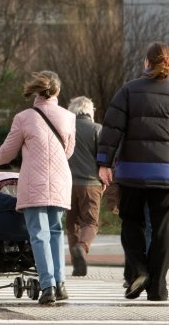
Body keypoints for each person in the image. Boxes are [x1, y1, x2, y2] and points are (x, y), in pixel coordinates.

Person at [0, 71, 76, 304]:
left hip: (34, 182)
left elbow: (6, 154)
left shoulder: (24, 118)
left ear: (37, 91)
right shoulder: (69, 117)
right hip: (60, 181)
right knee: (56, 232)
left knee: (38, 234)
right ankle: (60, 283)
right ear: (57, 91)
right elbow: (68, 152)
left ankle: (47, 286)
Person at [98, 41, 169, 301]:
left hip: (132, 173)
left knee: (131, 222)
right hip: (165, 174)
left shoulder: (128, 90)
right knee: (162, 230)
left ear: (146, 62)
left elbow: (111, 129)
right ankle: (158, 289)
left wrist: (104, 163)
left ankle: (139, 269)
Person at [66, 96, 103, 277]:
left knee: (72, 224)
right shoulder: (97, 129)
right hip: (91, 183)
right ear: (90, 111)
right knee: (90, 222)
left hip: (67, 184)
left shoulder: (65, 129)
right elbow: (104, 158)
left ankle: (77, 266)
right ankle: (82, 247)